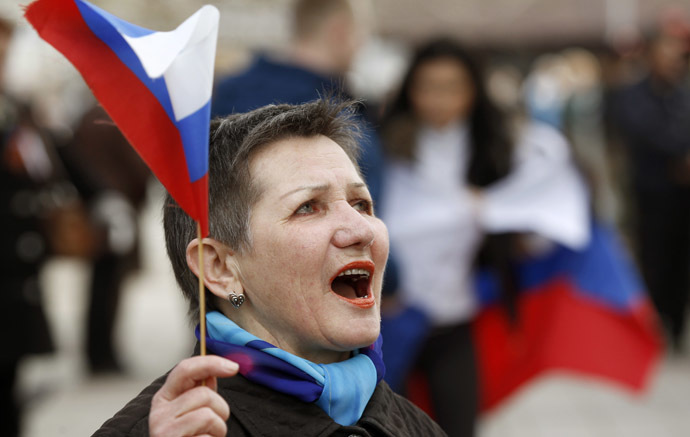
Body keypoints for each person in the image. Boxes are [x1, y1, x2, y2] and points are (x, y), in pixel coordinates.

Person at [92, 98, 446, 436]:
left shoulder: (417, 426)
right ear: (220, 268)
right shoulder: (158, 431)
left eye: (362, 204)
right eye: (308, 207)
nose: (361, 230)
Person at [378, 38, 589, 437]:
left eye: (452, 87)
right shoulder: (384, 145)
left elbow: (533, 223)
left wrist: (510, 224)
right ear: (410, 90)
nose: (439, 99)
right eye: (428, 87)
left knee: (460, 424)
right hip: (390, 318)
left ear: (473, 91)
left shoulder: (496, 150)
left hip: (457, 316)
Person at [211, 0, 384, 203]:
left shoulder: (234, 90)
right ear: (340, 31)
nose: (362, 45)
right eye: (362, 33)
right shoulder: (327, 105)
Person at [613, 30, 690, 352]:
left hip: (683, 194)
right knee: (654, 259)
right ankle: (653, 322)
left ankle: (676, 324)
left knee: (682, 262)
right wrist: (680, 154)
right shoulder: (633, 95)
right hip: (651, 191)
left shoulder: (684, 94)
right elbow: (643, 130)